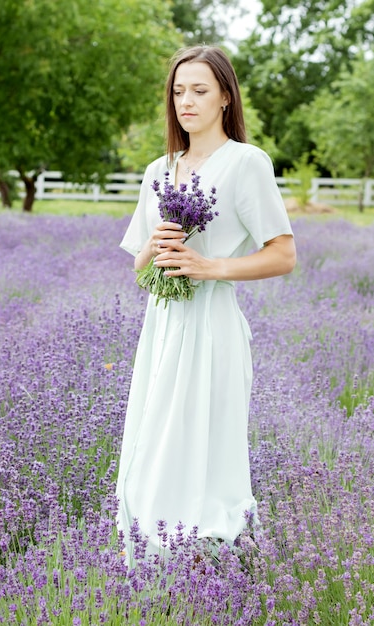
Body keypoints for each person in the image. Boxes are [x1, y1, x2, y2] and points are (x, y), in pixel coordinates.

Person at [116, 45, 296, 564]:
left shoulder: (246, 163)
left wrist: (209, 266)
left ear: (224, 97)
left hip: (212, 324)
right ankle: (154, 566)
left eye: (199, 90)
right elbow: (140, 269)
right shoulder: (159, 168)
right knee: (154, 446)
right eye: (178, 92)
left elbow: (283, 254)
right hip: (163, 325)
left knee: (203, 452)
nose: (186, 102)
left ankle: (215, 563)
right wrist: (160, 242)